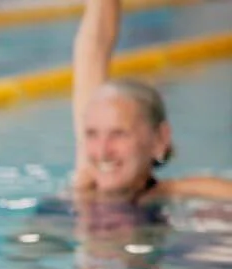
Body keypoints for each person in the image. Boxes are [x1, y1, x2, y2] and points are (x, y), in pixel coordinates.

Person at [72, 0, 232, 203]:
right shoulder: (86, 179)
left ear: (159, 140)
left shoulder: (182, 194)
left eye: (119, 134)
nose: (103, 151)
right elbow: (93, 49)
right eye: (91, 134)